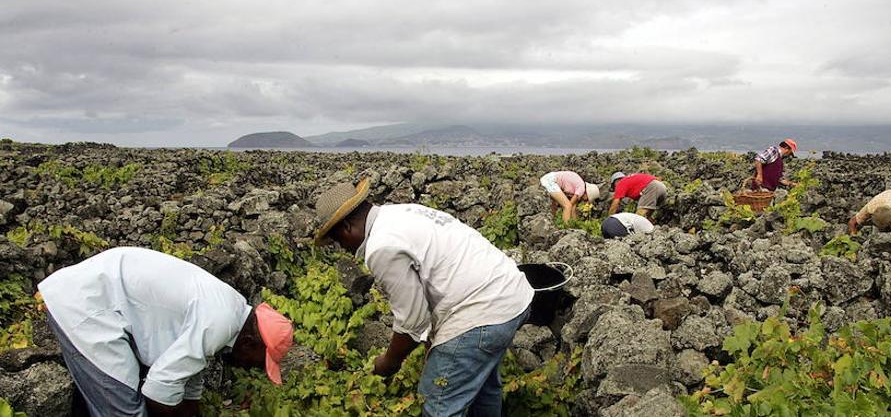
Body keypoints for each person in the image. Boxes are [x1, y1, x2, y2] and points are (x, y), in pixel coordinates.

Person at [313, 178, 534, 417]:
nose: (343, 249)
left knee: (438, 404)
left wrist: (388, 362)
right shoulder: (399, 213)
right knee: (483, 389)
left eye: (338, 241)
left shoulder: (381, 246)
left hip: (482, 312)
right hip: (513, 295)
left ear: (347, 227)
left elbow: (412, 322)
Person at [37, 247, 293, 417]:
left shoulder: (231, 309)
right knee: (125, 411)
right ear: (248, 343)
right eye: (259, 363)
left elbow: (189, 374)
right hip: (87, 304)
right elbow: (158, 391)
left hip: (102, 297)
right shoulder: (220, 322)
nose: (251, 368)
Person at [848, 189, 891, 253]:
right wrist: (854, 238)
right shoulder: (872, 207)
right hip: (885, 196)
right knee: (875, 242)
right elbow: (853, 222)